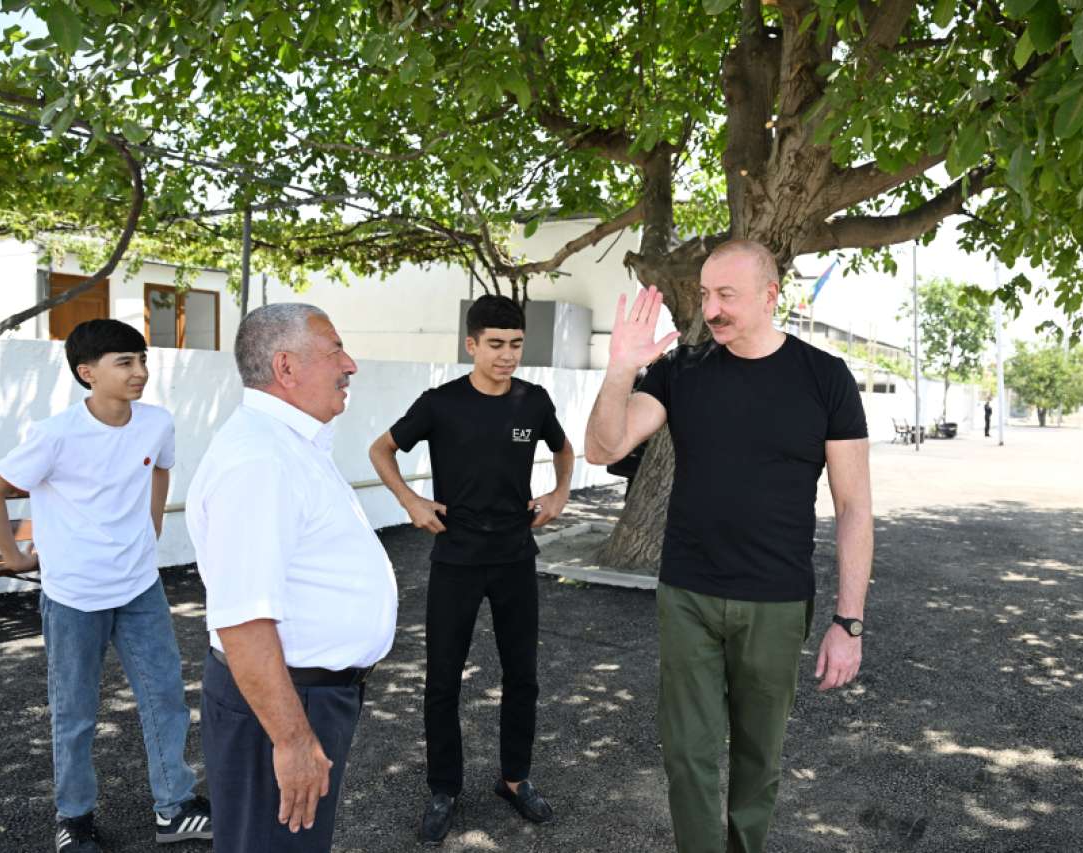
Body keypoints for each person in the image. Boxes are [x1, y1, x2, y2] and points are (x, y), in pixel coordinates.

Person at [584, 239, 874, 853]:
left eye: (726, 295)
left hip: (776, 600)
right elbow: (603, 448)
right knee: (687, 754)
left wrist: (848, 622)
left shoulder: (826, 378)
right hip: (688, 592)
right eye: (705, 294)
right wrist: (620, 369)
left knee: (758, 759)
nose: (710, 309)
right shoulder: (680, 372)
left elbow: (853, 507)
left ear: (770, 296)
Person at [185, 304, 397, 853]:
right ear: (285, 367)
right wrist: (293, 738)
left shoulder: (287, 444)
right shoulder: (261, 459)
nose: (350, 365)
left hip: (303, 695)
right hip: (283, 703)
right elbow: (243, 620)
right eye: (335, 350)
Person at [0, 319, 212, 853]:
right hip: (74, 596)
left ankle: (174, 808)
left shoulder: (156, 422)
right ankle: (74, 818)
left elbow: (160, 469)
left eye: (142, 360)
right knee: (75, 714)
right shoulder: (55, 434)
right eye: (125, 362)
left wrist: (153, 523)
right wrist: (14, 556)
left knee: (165, 698)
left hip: (139, 587)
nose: (140, 372)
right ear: (87, 372)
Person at [368, 295, 574, 846]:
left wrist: (560, 493)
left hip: (515, 558)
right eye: (496, 344)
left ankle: (515, 778)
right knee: (442, 679)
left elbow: (564, 450)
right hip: (455, 558)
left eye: (516, 345)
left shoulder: (533, 401)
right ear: (471, 345)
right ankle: (444, 788)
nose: (507, 355)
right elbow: (381, 450)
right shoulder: (440, 404)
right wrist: (411, 501)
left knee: (522, 676)